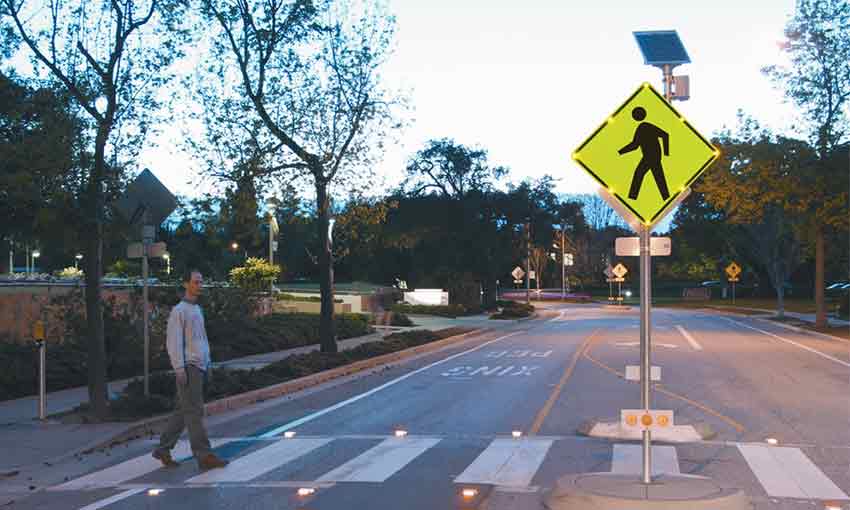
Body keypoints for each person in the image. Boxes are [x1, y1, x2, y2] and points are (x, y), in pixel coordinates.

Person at [152, 269, 229, 471]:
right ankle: (204, 455)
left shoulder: (197, 310)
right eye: (196, 282)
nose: (199, 285)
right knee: (194, 412)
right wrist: (179, 368)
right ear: (186, 284)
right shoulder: (180, 311)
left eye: (201, 282)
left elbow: (202, 339)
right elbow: (174, 342)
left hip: (200, 365)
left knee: (183, 411)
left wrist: (208, 363)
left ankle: (163, 448)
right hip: (189, 367)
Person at [618, 106, 671, 201]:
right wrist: (620, 152)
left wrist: (666, 153)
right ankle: (666, 197)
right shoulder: (643, 127)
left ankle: (632, 198)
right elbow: (635, 145)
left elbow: (665, 135)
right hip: (652, 157)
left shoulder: (644, 127)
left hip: (650, 157)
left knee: (639, 174)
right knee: (659, 178)